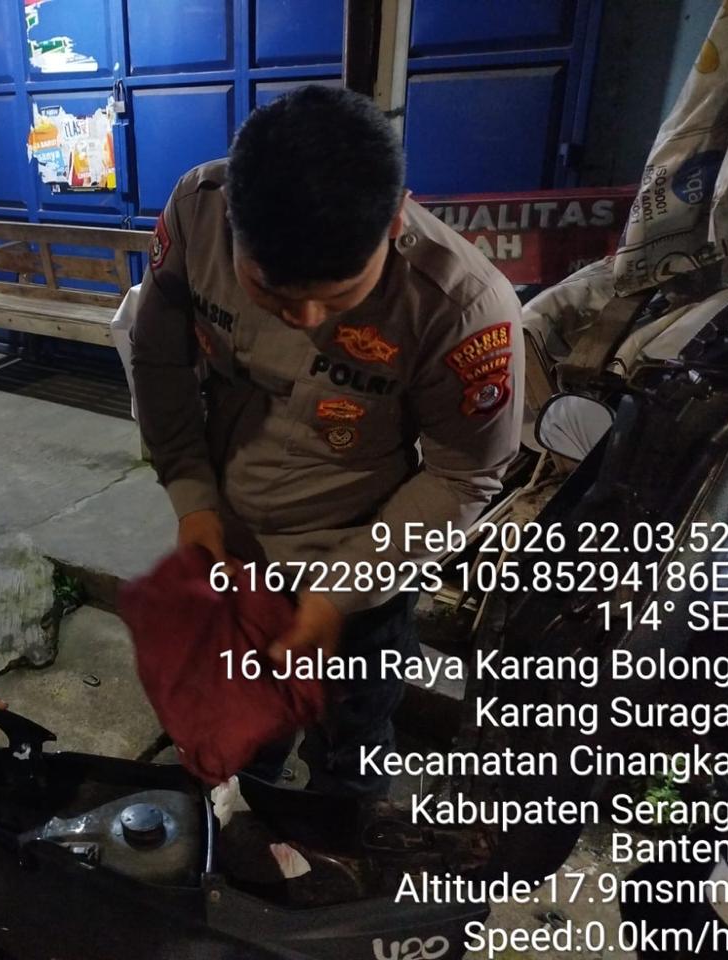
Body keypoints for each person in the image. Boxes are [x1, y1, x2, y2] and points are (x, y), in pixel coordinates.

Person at [130, 84, 524, 798]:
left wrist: (337, 591)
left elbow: (463, 475)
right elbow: (159, 361)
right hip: (233, 556)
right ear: (232, 224)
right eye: (271, 293)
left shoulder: (461, 306)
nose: (306, 318)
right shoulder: (197, 211)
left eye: (338, 296)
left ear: (394, 221)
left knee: (352, 755)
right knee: (241, 737)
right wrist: (191, 496)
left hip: (363, 571)